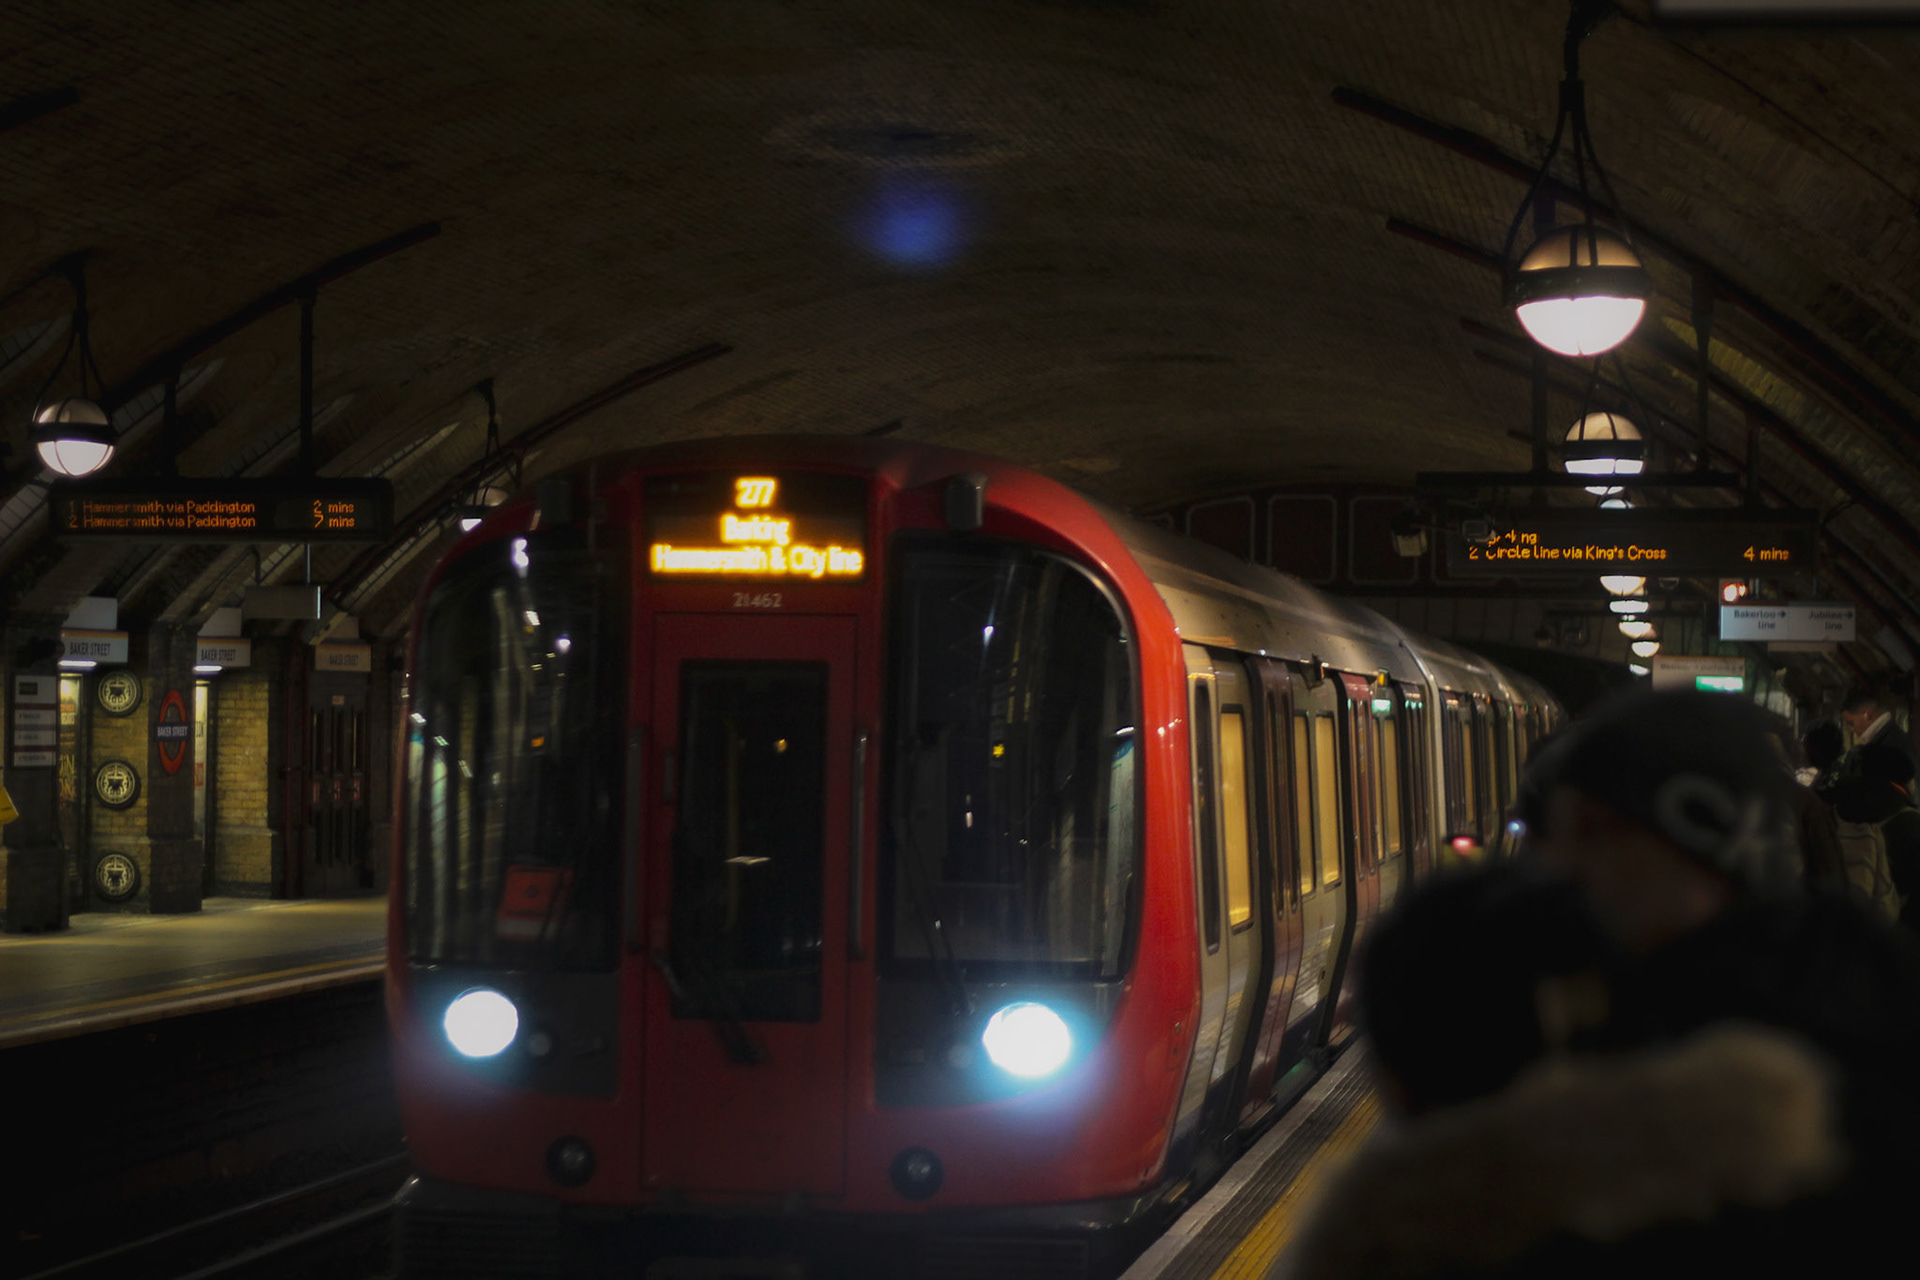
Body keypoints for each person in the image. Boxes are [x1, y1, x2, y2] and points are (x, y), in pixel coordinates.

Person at [1837, 686, 1917, 783]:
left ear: (1866, 715)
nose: (1851, 730)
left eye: (1851, 723)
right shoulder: (1892, 735)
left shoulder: (1888, 745)